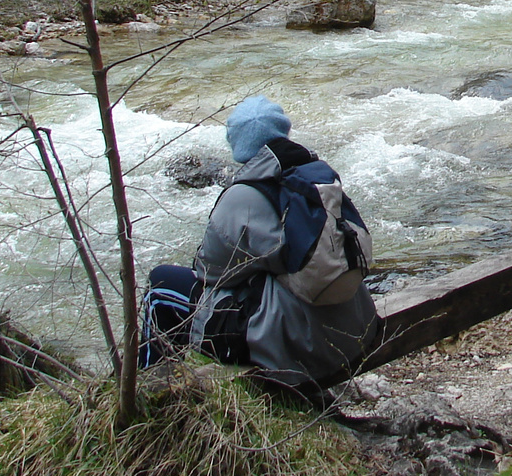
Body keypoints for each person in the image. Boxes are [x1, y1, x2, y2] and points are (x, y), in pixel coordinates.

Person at [144, 96, 379, 396]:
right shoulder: (321, 178)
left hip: (300, 346)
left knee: (160, 286)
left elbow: (209, 273)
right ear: (283, 132)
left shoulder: (241, 197)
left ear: (237, 142)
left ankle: (150, 397)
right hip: (353, 330)